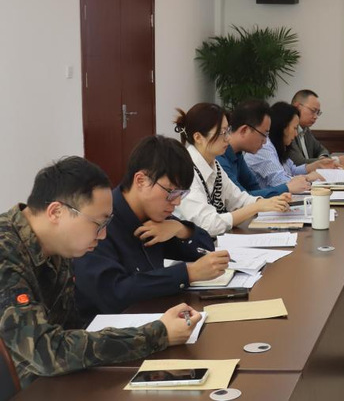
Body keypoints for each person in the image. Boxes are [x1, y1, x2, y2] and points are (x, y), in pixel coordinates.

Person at [0, 157, 199, 386]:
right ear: (56, 212)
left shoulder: (58, 245)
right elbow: (45, 352)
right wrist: (157, 334)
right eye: (98, 224)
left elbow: (70, 329)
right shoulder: (5, 253)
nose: (103, 236)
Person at [74, 136, 229, 318]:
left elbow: (205, 249)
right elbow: (115, 293)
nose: (177, 202)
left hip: (152, 318)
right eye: (172, 192)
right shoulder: (100, 222)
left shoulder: (155, 217)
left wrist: (179, 229)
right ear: (141, 181)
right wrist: (188, 273)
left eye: (181, 194)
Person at [173, 103, 291, 237]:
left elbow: (238, 200)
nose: (228, 138)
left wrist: (268, 202)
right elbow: (208, 225)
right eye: (222, 133)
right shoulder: (185, 170)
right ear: (198, 137)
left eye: (227, 131)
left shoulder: (214, 165)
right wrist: (257, 207)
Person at [218, 99, 310, 197]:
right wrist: (287, 188)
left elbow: (254, 188)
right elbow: (241, 198)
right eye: (264, 134)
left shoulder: (237, 154)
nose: (265, 141)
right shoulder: (219, 157)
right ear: (244, 130)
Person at [245, 102, 340, 189]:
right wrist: (308, 177)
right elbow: (280, 181)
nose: (296, 134)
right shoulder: (263, 148)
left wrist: (317, 165)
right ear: (282, 127)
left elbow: (292, 170)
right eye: (294, 128)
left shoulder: (277, 146)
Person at [288, 89, 344, 167]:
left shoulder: (305, 130)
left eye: (318, 113)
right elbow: (299, 163)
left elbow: (321, 150)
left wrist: (324, 158)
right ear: (297, 107)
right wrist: (336, 160)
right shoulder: (287, 130)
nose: (315, 117)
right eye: (313, 111)